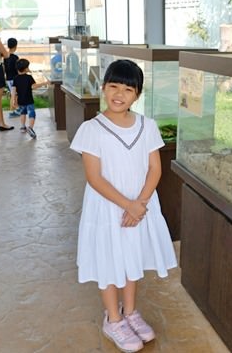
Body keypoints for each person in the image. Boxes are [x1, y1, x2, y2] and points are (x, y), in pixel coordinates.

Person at [69, 59, 177, 352]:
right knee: (109, 261)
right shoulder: (92, 129)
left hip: (139, 207)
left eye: (128, 89)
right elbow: (94, 177)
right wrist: (128, 205)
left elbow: (155, 169)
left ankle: (130, 312)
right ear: (103, 87)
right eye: (113, 86)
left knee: (131, 258)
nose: (120, 94)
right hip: (108, 208)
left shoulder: (147, 125)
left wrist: (139, 204)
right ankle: (113, 319)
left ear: (137, 95)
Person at [11, 58, 49, 139]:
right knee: (32, 113)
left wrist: (14, 100)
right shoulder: (29, 77)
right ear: (25, 69)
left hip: (20, 100)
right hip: (29, 100)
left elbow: (13, 90)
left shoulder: (15, 78)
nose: (29, 68)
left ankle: (22, 127)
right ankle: (30, 127)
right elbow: (34, 86)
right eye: (28, 67)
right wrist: (45, 83)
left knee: (23, 113)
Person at [4, 37, 23, 118]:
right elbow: (19, 69)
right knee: (14, 95)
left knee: (13, 95)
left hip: (8, 78)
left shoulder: (5, 57)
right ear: (15, 46)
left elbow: (4, 69)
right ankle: (13, 111)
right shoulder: (15, 58)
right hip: (15, 79)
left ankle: (14, 110)